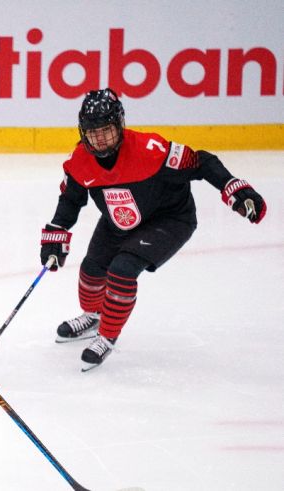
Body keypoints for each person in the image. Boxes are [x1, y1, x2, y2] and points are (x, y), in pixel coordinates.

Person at [40, 88, 267, 371]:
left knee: (122, 269)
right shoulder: (79, 162)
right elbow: (71, 200)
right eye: (92, 132)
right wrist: (56, 231)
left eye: (106, 130)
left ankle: (107, 336)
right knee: (91, 269)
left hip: (169, 219)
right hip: (119, 218)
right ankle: (94, 315)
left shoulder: (151, 150)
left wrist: (235, 189)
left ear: (120, 126)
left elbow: (202, 162)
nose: (99, 139)